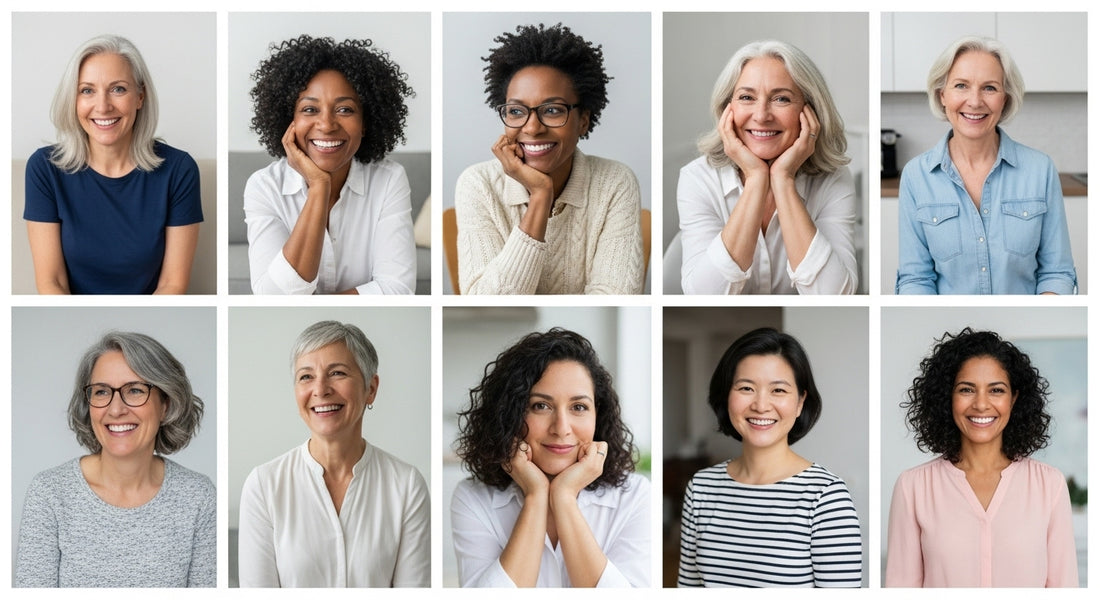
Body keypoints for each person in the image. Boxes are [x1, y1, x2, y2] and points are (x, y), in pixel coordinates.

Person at [454, 24, 643, 294]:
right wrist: (541, 195)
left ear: (583, 121)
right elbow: (488, 299)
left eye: (552, 110)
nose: (532, 128)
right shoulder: (478, 184)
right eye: (517, 111)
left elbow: (615, 296)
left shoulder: (615, 182)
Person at [451, 328, 649, 586]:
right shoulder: (473, 498)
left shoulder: (636, 496)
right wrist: (536, 495)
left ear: (597, 415)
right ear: (509, 412)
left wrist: (563, 497)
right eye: (540, 406)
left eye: (579, 407)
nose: (561, 427)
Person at [238, 321, 429, 587]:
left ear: (370, 389)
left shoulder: (407, 486)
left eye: (337, 373)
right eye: (306, 376)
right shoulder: (264, 485)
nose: (320, 390)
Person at [15, 332, 214, 587]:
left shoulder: (198, 497)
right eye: (101, 392)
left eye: (134, 390)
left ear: (165, 404)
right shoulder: (50, 493)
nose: (116, 409)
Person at [886, 328, 1077, 587]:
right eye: (966, 390)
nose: (981, 404)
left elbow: (1064, 587)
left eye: (996, 390)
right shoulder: (913, 487)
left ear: (1014, 398)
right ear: (947, 397)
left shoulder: (1049, 485)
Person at [678, 328, 862, 587]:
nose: (761, 405)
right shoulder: (701, 488)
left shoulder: (826, 496)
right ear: (726, 396)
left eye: (778, 390)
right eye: (746, 388)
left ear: (800, 402)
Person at [896, 37, 1076, 294]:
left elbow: (1056, 273)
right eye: (961, 85)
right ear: (942, 95)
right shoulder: (916, 176)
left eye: (989, 88)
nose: (975, 101)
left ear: (1005, 99)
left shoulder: (1040, 170)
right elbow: (915, 280)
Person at [24, 35, 202, 295]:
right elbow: (52, 283)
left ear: (140, 96)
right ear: (73, 100)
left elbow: (171, 285)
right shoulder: (44, 168)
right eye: (87, 90)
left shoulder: (179, 169)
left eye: (118, 89)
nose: (103, 106)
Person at [678, 41, 857, 295]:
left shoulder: (834, 180)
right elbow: (704, 296)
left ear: (810, 112)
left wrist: (783, 179)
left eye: (781, 98)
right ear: (727, 109)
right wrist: (756, 178)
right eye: (747, 97)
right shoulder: (697, 178)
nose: (761, 115)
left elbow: (835, 296)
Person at [244, 35, 416, 295]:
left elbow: (397, 290)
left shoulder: (389, 179)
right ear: (288, 120)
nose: (326, 125)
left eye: (345, 110)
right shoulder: (264, 186)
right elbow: (271, 298)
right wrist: (319, 187)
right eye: (310, 110)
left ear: (366, 122)